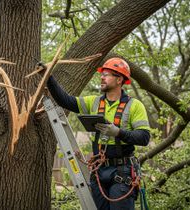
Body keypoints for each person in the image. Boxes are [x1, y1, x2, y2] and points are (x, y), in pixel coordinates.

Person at [46, 57, 150, 210]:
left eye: (106, 74)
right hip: (99, 172)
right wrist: (49, 77)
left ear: (119, 79)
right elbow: (66, 101)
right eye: (102, 74)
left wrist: (118, 132)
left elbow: (144, 137)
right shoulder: (93, 102)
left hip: (122, 171)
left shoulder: (134, 105)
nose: (102, 77)